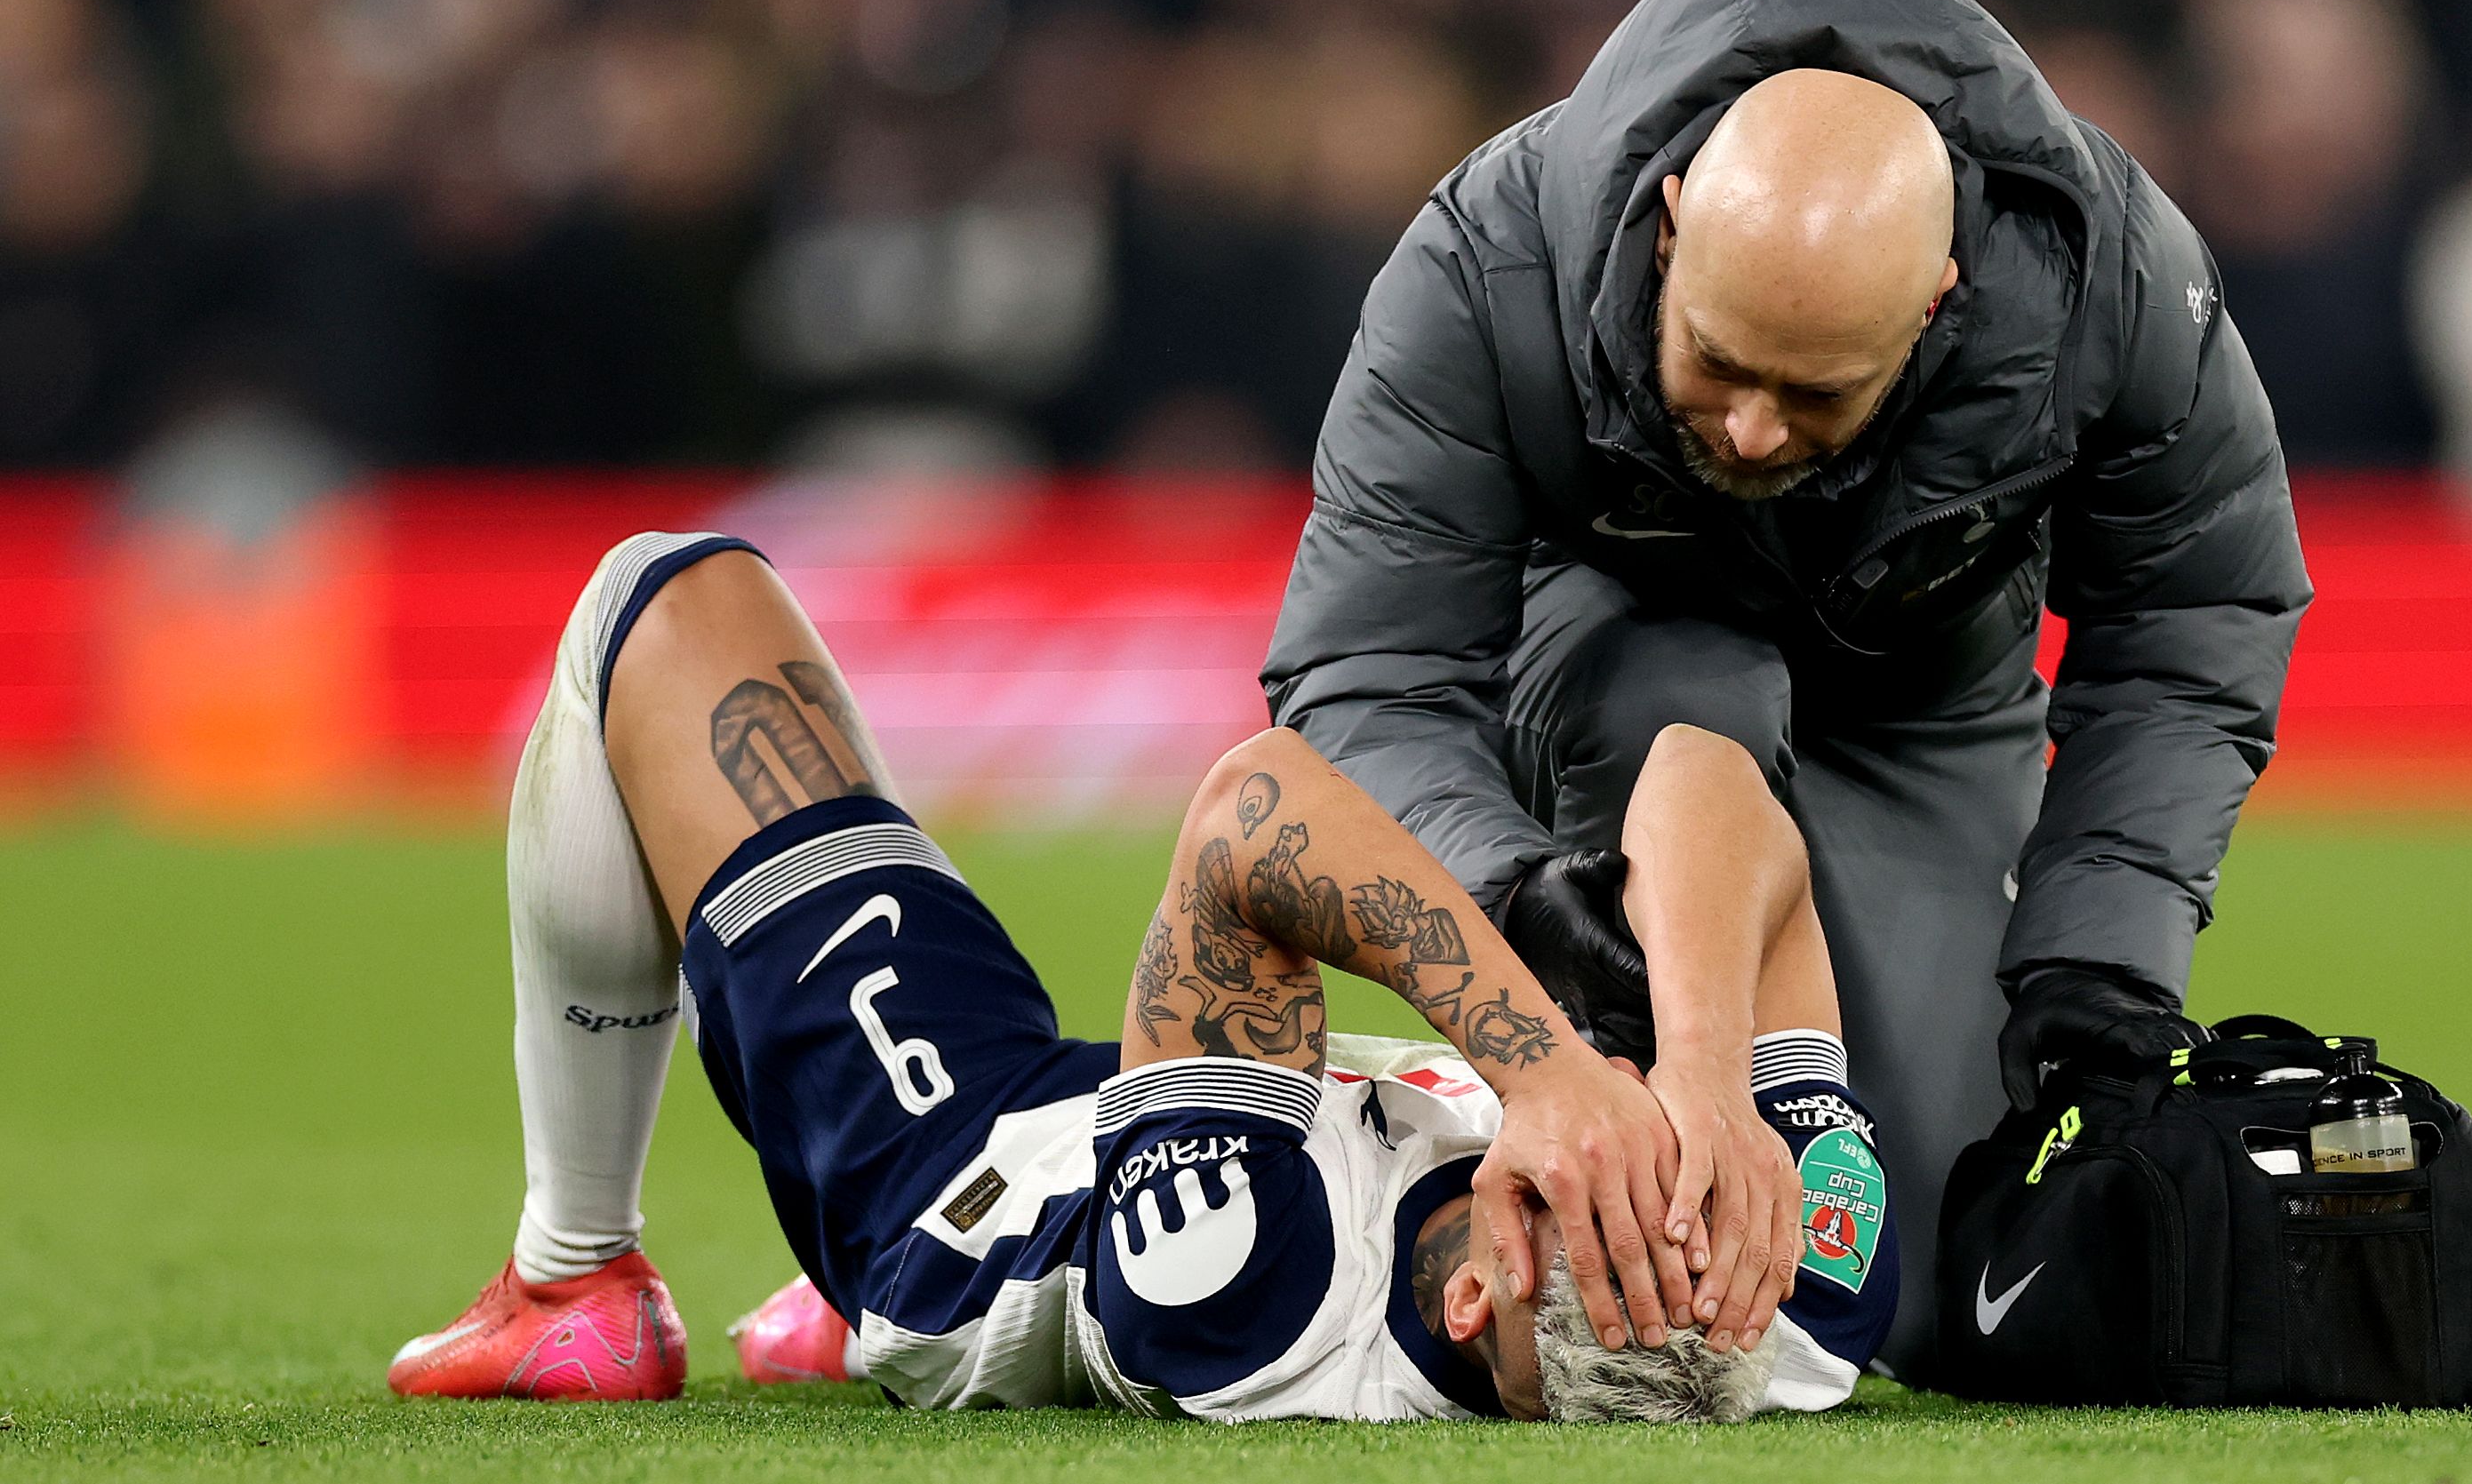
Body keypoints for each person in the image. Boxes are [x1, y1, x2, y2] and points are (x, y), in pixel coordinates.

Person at [1261, 0, 2312, 1381]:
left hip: (1926, 696)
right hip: (1614, 676)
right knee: (1681, 703)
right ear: (1674, 221)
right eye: (1719, 363)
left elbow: (2200, 620)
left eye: (1812, 391)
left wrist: (2099, 961)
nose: (1752, 430)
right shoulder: (1484, 261)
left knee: (1935, 1293)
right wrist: (1515, 896)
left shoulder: (2113, 285)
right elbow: (1368, 669)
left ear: (1936, 300)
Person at [387, 532, 1896, 1419]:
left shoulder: (1256, 1284)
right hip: (1207, 1101)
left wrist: (1544, 1067)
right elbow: (1711, 780)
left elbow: (1254, 812)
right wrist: (1705, 1074)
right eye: (1688, 1183)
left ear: (1475, 1296)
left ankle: (577, 1278)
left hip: (962, 1177)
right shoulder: (1799, 1302)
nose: (1641, 1146)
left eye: (1614, 1191)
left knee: (659, 596)